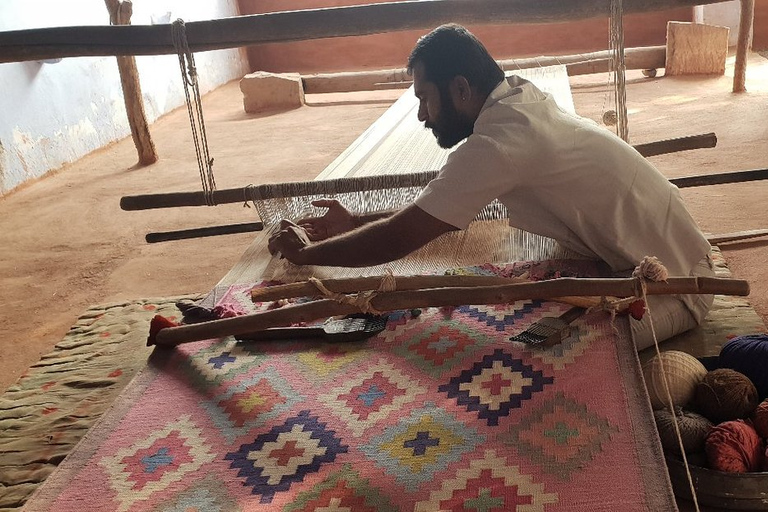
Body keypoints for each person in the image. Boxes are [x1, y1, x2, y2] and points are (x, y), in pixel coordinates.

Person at [268, 23, 714, 350]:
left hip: (673, 284)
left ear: (461, 88)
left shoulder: (500, 143)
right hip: (666, 251)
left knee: (544, 359)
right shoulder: (519, 100)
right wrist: (354, 221)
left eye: (425, 98)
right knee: (532, 319)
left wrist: (308, 255)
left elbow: (401, 236)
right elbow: (439, 204)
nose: (422, 115)